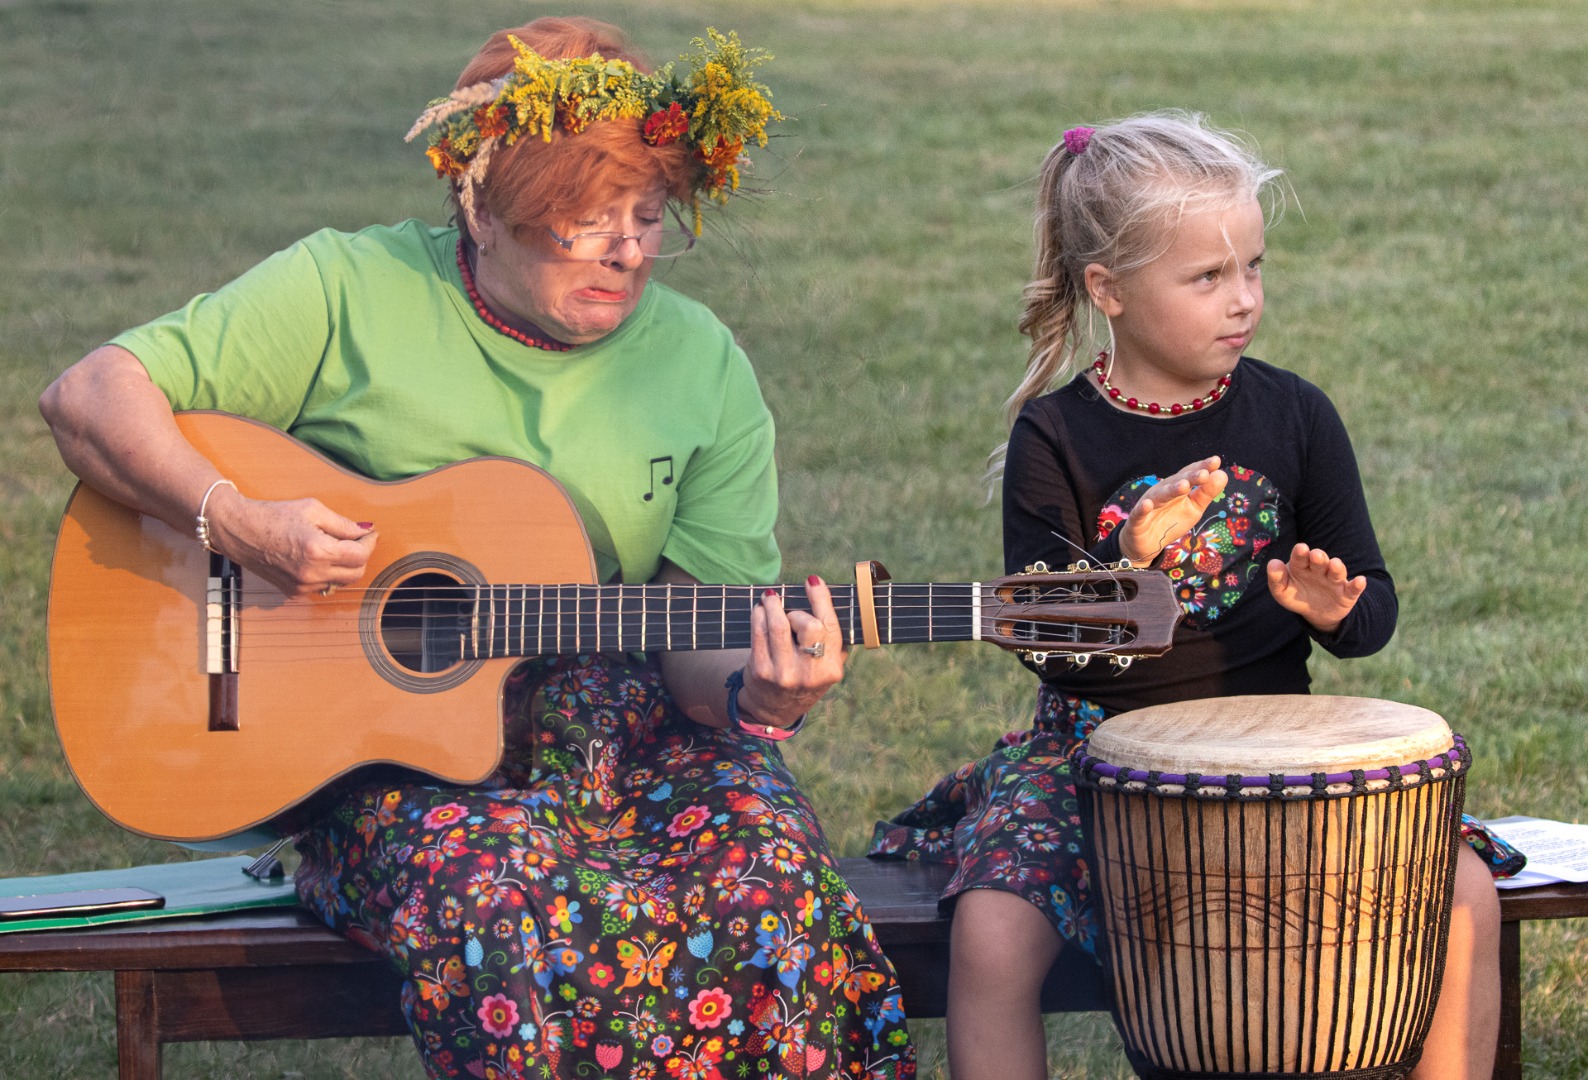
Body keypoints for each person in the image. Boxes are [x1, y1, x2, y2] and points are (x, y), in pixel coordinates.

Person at [40, 17, 914, 1080]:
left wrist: (761, 698)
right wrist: (238, 520)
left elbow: (699, 660)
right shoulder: (343, 290)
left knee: (771, 882)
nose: (629, 251)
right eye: (585, 220)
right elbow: (89, 399)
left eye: (647, 218)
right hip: (404, 769)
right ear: (480, 204)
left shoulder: (702, 367)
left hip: (627, 726)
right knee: (500, 906)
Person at [869, 111, 1521, 1080]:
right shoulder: (1054, 438)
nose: (1243, 300)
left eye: (1252, 267)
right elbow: (1049, 648)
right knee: (993, 936)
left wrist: (1336, 611)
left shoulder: (1295, 414)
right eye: (1207, 278)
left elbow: (1372, 611)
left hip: (1274, 747)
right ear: (1110, 291)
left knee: (1462, 890)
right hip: (1090, 760)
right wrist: (1131, 563)